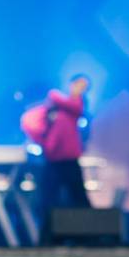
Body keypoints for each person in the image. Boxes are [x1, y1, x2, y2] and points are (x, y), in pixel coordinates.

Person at [36, 74, 92, 243]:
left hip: (69, 158)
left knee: (78, 197)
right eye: (79, 84)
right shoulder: (55, 105)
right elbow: (38, 119)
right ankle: (47, 238)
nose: (81, 88)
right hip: (53, 158)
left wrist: (57, 97)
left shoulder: (76, 104)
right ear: (71, 84)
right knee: (49, 198)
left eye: (85, 86)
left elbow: (75, 108)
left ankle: (89, 236)